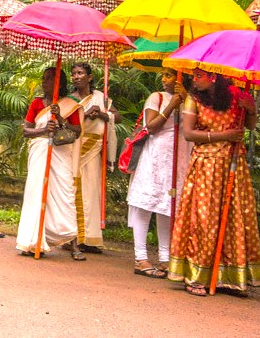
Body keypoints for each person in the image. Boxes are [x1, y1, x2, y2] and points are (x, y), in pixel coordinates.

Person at [167, 68, 260, 297]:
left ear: (214, 77)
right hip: (206, 166)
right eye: (195, 75)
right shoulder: (193, 99)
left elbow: (248, 126)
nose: (195, 79)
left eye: (199, 75)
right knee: (204, 219)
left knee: (234, 218)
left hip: (233, 164)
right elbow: (189, 134)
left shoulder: (236, 96)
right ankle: (197, 275)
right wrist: (223, 136)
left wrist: (251, 111)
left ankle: (230, 277)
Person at [126, 68, 190, 278]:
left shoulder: (190, 100)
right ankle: (140, 257)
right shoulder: (157, 97)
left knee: (167, 207)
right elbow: (151, 127)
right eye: (163, 74)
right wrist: (172, 105)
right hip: (155, 158)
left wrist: (185, 100)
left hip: (178, 158)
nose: (164, 79)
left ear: (182, 78)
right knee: (146, 204)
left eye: (169, 75)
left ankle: (165, 258)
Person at [15, 67, 83, 259]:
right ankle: (32, 241)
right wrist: (44, 129)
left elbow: (77, 131)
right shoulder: (36, 103)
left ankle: (73, 243)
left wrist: (60, 117)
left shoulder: (71, 104)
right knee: (35, 194)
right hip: (40, 151)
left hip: (61, 154)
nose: (44, 82)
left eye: (49, 79)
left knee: (65, 195)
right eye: (43, 79)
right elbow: (26, 131)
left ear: (59, 83)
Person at [69, 62, 119, 254]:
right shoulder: (70, 99)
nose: (76, 76)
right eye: (74, 73)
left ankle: (90, 238)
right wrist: (84, 114)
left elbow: (118, 117)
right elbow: (65, 120)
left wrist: (103, 114)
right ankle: (72, 236)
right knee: (72, 190)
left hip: (93, 149)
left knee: (91, 192)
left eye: (80, 73)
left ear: (89, 77)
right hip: (76, 147)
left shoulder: (101, 97)